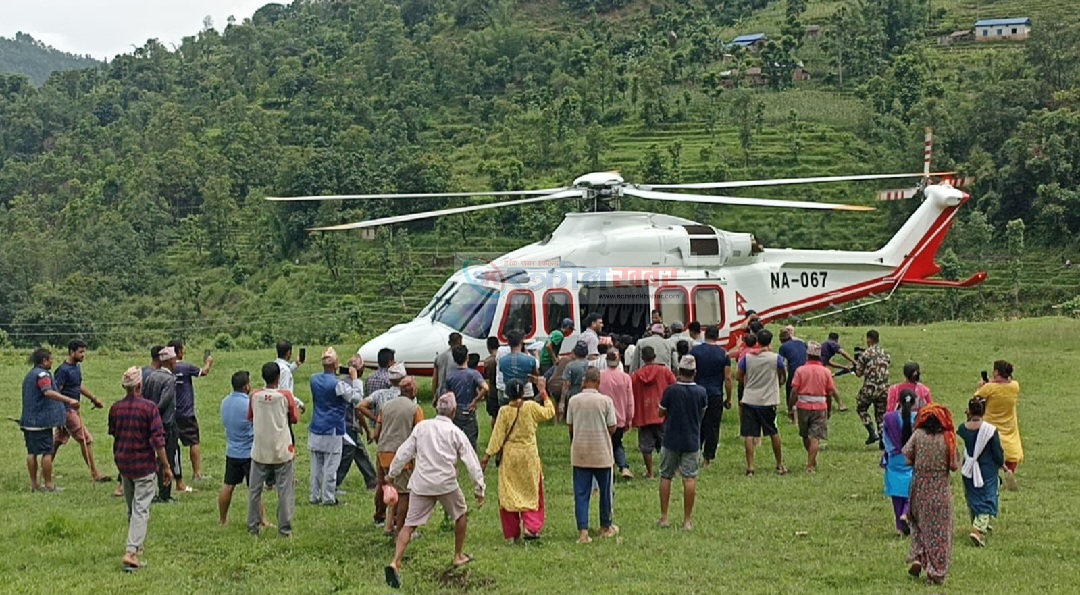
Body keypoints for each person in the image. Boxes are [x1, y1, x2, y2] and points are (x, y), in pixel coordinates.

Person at [383, 393, 486, 590]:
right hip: (446, 483)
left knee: (409, 524)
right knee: (461, 514)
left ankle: (395, 562)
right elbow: (471, 461)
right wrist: (479, 488)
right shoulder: (455, 432)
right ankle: (458, 555)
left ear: (436, 409)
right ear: (454, 412)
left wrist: (391, 474)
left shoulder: (422, 428)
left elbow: (404, 451)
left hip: (422, 483)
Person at [109, 367, 173, 572]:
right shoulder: (149, 408)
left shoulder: (115, 408)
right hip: (144, 464)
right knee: (141, 509)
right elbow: (157, 440)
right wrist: (166, 466)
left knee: (132, 507)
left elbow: (114, 433)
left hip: (124, 463)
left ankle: (136, 545)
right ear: (139, 386)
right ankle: (131, 551)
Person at [481, 376, 555, 542]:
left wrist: (486, 458)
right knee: (532, 491)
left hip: (510, 456)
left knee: (509, 491)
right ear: (523, 392)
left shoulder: (504, 412)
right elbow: (549, 412)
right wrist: (543, 392)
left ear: (507, 394)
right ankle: (531, 527)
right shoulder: (530, 407)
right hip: (529, 455)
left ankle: (513, 533)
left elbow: (497, 438)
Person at [904, 403, 958, 586]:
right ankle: (936, 573)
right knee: (940, 533)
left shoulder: (918, 435)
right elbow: (954, 465)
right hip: (940, 489)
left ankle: (918, 556)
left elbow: (906, 459)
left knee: (917, 523)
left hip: (919, 487)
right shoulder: (948, 438)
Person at [566, 367, 619, 544]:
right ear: (598, 382)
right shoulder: (605, 401)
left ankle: (583, 532)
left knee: (581, 493)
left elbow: (571, 427)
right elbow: (612, 427)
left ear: (584, 381)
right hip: (602, 453)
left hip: (580, 451)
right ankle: (606, 526)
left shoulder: (574, 401)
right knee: (605, 492)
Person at [247, 362, 300, 537]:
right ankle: (284, 529)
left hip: (260, 449)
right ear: (278, 377)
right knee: (285, 491)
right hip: (282, 449)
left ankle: (253, 527)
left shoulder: (254, 396)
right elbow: (295, 418)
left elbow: (250, 417)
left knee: (255, 490)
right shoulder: (285, 395)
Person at [308, 347, 364, 506]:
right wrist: (355, 379)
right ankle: (328, 497)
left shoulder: (313, 379)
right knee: (331, 466)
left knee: (316, 465)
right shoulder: (338, 384)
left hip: (316, 426)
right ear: (336, 365)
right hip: (333, 428)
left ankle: (314, 495)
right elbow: (357, 398)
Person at [657, 355, 707, 530]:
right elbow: (702, 412)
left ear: (679, 371)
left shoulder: (671, 391)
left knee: (666, 475)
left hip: (671, 438)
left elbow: (660, 413)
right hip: (692, 439)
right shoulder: (701, 391)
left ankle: (664, 517)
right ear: (695, 372)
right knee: (689, 478)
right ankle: (687, 520)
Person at [20, 348, 80, 492]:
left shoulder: (29, 375)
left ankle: (34, 484)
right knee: (47, 452)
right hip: (41, 422)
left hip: (28, 421)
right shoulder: (43, 375)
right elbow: (47, 391)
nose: (52, 362)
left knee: (32, 452)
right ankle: (49, 484)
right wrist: (69, 400)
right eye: (50, 359)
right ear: (44, 361)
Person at [52, 339, 110, 482]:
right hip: (67, 411)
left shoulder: (77, 367)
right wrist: (62, 410)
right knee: (86, 440)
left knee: (58, 440)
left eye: (84, 351)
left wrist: (93, 399)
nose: (84, 355)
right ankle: (95, 474)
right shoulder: (63, 370)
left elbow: (77, 386)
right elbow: (55, 392)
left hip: (73, 410)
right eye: (81, 352)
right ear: (72, 352)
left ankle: (45, 469)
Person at [375, 376, 425, 536]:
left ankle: (388, 526)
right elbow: (420, 435)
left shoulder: (386, 406)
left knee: (391, 491)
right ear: (414, 390)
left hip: (383, 454)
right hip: (402, 458)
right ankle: (402, 528)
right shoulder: (415, 409)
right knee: (404, 494)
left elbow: (377, 432)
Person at [360, 361, 406, 527]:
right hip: (401, 445)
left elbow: (360, 405)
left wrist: (374, 421)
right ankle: (395, 518)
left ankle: (380, 515)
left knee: (382, 482)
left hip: (383, 444)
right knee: (401, 483)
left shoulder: (380, 395)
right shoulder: (406, 398)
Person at [219, 370, 266, 527]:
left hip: (232, 450)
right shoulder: (249, 404)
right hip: (248, 452)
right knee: (255, 488)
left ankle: (223, 519)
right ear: (247, 386)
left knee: (228, 485)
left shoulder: (225, 401)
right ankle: (262, 520)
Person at [738, 329, 787, 476]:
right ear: (771, 341)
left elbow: (739, 376)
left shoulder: (747, 358)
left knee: (749, 434)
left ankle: (750, 467)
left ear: (757, 341)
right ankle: (779, 464)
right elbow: (782, 374)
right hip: (768, 400)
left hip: (750, 399)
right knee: (773, 432)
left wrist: (748, 384)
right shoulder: (775, 358)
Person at [958, 396, 1005, 547]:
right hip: (986, 469)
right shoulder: (990, 430)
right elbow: (997, 452)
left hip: (969, 468)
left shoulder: (963, 429)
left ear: (970, 410)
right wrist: (1001, 464)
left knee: (973, 497)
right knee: (989, 498)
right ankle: (978, 529)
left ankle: (977, 522)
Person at [167, 339, 213, 491]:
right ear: (179, 351)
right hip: (186, 412)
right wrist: (208, 362)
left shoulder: (167, 368)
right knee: (194, 441)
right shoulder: (185, 367)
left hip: (171, 413)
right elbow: (203, 372)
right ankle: (197, 473)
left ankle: (172, 473)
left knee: (172, 445)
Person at [788, 341, 836, 474]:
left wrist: (790, 406)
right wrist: (829, 408)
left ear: (807, 355)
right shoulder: (826, 371)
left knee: (805, 434)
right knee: (816, 436)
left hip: (803, 405)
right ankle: (810, 465)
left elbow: (794, 391)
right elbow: (830, 392)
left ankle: (811, 459)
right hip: (820, 406)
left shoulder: (800, 370)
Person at [630, 345, 676, 478]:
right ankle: (669, 469)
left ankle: (650, 472)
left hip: (643, 415)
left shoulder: (636, 375)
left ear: (643, 359)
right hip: (662, 413)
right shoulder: (664, 371)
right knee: (666, 443)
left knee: (646, 446)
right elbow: (673, 387)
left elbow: (631, 392)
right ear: (654, 356)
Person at [689, 326, 732, 468]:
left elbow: (690, 372)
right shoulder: (723, 354)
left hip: (697, 392)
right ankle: (708, 458)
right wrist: (729, 397)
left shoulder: (695, 351)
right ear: (718, 336)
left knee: (696, 424)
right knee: (713, 426)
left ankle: (694, 452)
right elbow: (728, 378)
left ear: (704, 334)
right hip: (715, 393)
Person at [975, 360, 1022, 489]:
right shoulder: (1014, 386)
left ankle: (993, 476)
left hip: (991, 423)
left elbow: (976, 399)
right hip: (1009, 423)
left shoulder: (989, 388)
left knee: (990, 451)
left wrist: (981, 386)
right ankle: (1010, 470)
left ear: (996, 372)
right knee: (1011, 447)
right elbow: (1006, 383)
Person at [336, 355, 379, 493]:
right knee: (350, 454)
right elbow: (359, 409)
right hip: (348, 424)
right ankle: (334, 483)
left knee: (359, 452)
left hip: (343, 423)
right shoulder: (354, 385)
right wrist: (367, 429)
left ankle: (372, 479)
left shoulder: (342, 382)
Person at [143, 346, 180, 502]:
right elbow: (164, 402)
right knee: (167, 459)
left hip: (151, 424)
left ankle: (153, 492)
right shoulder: (169, 379)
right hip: (166, 424)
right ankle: (165, 494)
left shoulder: (151, 377)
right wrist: (156, 413)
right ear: (171, 361)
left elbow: (145, 397)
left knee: (154, 458)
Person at [882, 389, 918, 536]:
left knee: (896, 492)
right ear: (914, 402)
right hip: (912, 458)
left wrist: (892, 452)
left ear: (899, 401)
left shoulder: (889, 418)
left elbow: (885, 439)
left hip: (894, 458)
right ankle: (906, 513)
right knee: (912, 489)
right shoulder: (918, 418)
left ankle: (899, 526)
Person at [443, 345, 490, 453]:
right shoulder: (473, 374)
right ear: (467, 358)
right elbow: (486, 388)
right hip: (469, 410)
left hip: (456, 411)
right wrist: (475, 401)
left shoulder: (450, 375)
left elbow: (447, 394)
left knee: (454, 438)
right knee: (471, 439)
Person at [599, 350, 635, 479]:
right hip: (619, 417)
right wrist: (629, 418)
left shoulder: (599, 376)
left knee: (605, 444)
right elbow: (630, 401)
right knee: (617, 443)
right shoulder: (625, 377)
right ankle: (623, 467)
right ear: (619, 361)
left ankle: (608, 468)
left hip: (602, 417)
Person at [855, 330, 891, 447]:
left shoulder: (865, 354)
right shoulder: (885, 354)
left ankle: (871, 431)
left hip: (870, 388)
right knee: (881, 414)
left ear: (869, 340)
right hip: (885, 388)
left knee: (861, 407)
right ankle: (883, 439)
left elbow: (859, 373)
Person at [499, 330, 538, 401]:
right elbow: (536, 374)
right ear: (521, 342)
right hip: (526, 393)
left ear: (508, 343)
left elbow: (501, 371)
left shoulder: (502, 361)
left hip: (509, 394)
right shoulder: (530, 360)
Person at [819, 332, 853, 411]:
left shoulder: (824, 345)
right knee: (831, 386)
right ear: (836, 340)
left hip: (817, 366)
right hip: (820, 367)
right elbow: (843, 353)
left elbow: (828, 362)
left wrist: (843, 367)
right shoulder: (832, 343)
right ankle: (840, 405)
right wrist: (854, 362)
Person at [778, 328, 807, 418]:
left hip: (795, 370)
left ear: (781, 340)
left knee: (790, 388)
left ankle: (790, 409)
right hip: (806, 368)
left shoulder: (783, 347)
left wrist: (781, 377)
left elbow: (781, 362)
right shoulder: (801, 343)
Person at [274, 340, 306, 412]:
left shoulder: (275, 365)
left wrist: (296, 364)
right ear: (288, 352)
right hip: (282, 409)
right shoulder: (285, 371)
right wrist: (300, 404)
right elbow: (285, 393)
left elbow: (284, 371)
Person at [434, 332, 463, 397]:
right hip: (453, 394)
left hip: (441, 393)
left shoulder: (439, 357)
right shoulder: (459, 358)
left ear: (449, 343)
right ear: (460, 342)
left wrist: (435, 395)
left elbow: (435, 379)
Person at [561, 341, 590, 407]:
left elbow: (566, 384)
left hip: (574, 394)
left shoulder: (570, 365)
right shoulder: (591, 364)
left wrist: (562, 401)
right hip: (588, 394)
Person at [481, 338, 501, 426]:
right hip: (503, 389)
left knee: (494, 416)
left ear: (488, 347)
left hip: (492, 391)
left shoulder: (487, 361)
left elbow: (485, 375)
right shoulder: (503, 358)